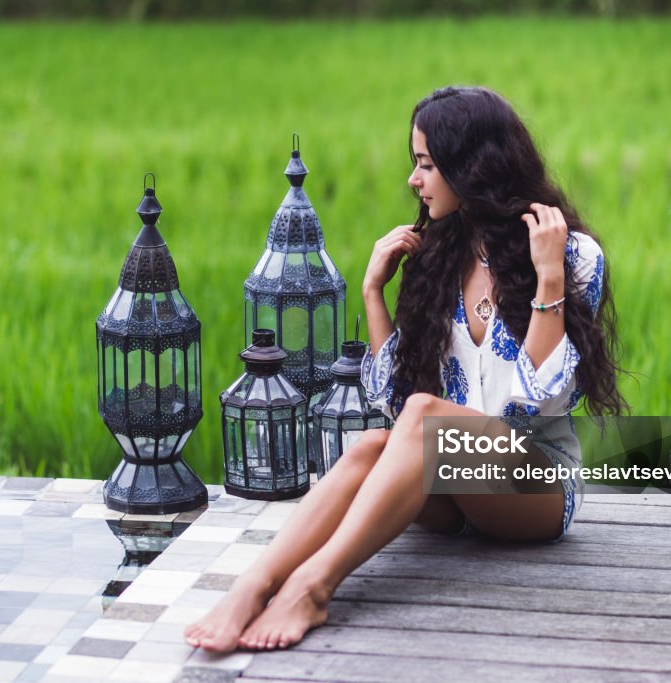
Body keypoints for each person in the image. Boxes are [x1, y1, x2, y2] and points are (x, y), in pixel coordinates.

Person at [184, 85, 625, 653]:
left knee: (419, 417)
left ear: (472, 167)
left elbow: (532, 404)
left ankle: (313, 587)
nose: (414, 181)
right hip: (455, 491)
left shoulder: (570, 254)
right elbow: (400, 403)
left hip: (534, 484)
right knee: (371, 443)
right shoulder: (440, 254)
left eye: (425, 165)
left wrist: (549, 279)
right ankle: (255, 585)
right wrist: (373, 292)